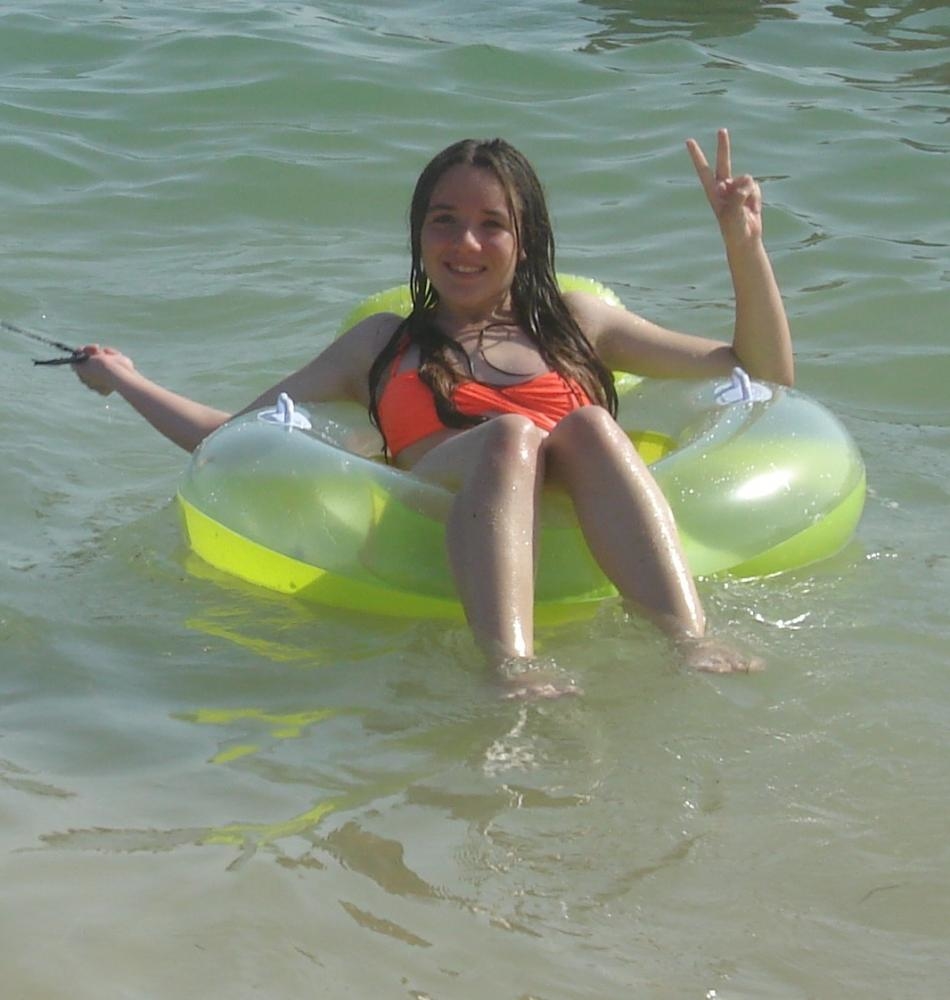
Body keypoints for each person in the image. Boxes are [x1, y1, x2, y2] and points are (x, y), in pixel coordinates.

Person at [73, 130, 793, 698]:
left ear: (526, 240)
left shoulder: (578, 323)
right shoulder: (382, 344)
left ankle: (689, 639)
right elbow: (234, 437)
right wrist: (124, 379)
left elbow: (762, 374)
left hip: (570, 513)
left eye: (491, 224)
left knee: (590, 427)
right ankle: (511, 664)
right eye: (444, 221)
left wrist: (744, 243)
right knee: (510, 436)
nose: (464, 244)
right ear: (419, 235)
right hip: (436, 509)